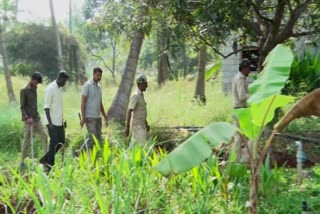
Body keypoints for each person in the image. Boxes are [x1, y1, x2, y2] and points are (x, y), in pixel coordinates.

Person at [39, 71, 69, 171]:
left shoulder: (58, 89)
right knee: (54, 142)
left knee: (61, 141)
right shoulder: (51, 88)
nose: (64, 83)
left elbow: (57, 108)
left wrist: (62, 120)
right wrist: (50, 123)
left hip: (58, 121)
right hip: (51, 122)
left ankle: (45, 159)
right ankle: (50, 164)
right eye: (64, 81)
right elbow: (46, 107)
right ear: (60, 78)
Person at [20, 72, 48, 169]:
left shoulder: (35, 88)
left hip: (36, 118)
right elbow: (22, 107)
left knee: (44, 136)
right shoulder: (24, 90)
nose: (37, 85)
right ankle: (22, 162)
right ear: (33, 80)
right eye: (37, 82)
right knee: (26, 140)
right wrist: (27, 117)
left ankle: (46, 159)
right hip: (29, 120)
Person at [80, 67, 108, 149]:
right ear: (93, 74)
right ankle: (79, 153)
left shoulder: (99, 87)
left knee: (98, 139)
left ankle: (94, 157)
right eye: (98, 75)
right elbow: (83, 102)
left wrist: (105, 116)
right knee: (92, 138)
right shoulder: (87, 85)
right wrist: (83, 117)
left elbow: (100, 103)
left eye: (100, 76)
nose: (99, 77)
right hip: (89, 117)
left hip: (98, 117)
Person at [231, 58, 252, 161]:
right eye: (248, 69)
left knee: (242, 136)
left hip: (240, 110)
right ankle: (236, 161)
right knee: (239, 138)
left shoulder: (240, 77)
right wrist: (252, 96)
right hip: (239, 110)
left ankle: (239, 160)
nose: (249, 71)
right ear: (244, 68)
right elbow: (242, 96)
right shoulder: (240, 78)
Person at [125, 74, 150, 144]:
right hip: (138, 127)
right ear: (140, 84)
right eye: (145, 84)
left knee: (133, 147)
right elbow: (129, 111)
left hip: (141, 125)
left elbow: (141, 111)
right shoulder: (135, 95)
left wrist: (146, 124)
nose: (147, 86)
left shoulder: (141, 95)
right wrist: (127, 128)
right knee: (144, 146)